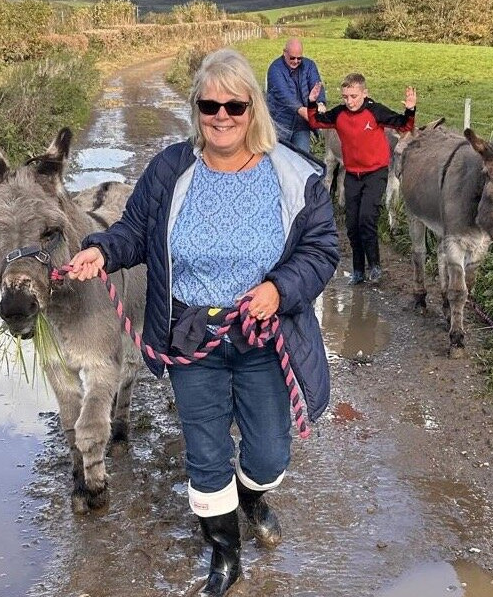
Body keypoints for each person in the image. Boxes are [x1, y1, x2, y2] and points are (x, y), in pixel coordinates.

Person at [67, 48, 339, 596]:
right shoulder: (171, 168)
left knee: (268, 452)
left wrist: (279, 288)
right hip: (191, 333)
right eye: (209, 104)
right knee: (206, 449)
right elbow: (136, 231)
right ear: (196, 107)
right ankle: (224, 553)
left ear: (252, 108)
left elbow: (321, 248)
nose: (221, 115)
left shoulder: (292, 173)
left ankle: (253, 494)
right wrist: (102, 250)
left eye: (233, 105)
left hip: (265, 334)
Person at [308, 72, 416, 285]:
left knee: (367, 219)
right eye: (345, 97)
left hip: (375, 173)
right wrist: (311, 102)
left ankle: (375, 266)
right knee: (352, 224)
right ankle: (358, 270)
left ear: (364, 94)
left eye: (354, 96)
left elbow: (404, 126)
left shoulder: (375, 111)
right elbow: (315, 121)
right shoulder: (339, 114)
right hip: (352, 174)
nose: (349, 101)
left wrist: (410, 109)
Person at [266, 37, 326, 152]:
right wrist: (302, 110)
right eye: (292, 58)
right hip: (280, 124)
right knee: (280, 160)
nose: (296, 61)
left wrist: (320, 103)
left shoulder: (309, 66)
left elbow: (317, 86)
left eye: (299, 58)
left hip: (301, 125)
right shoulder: (275, 69)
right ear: (284, 53)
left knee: (302, 159)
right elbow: (284, 95)